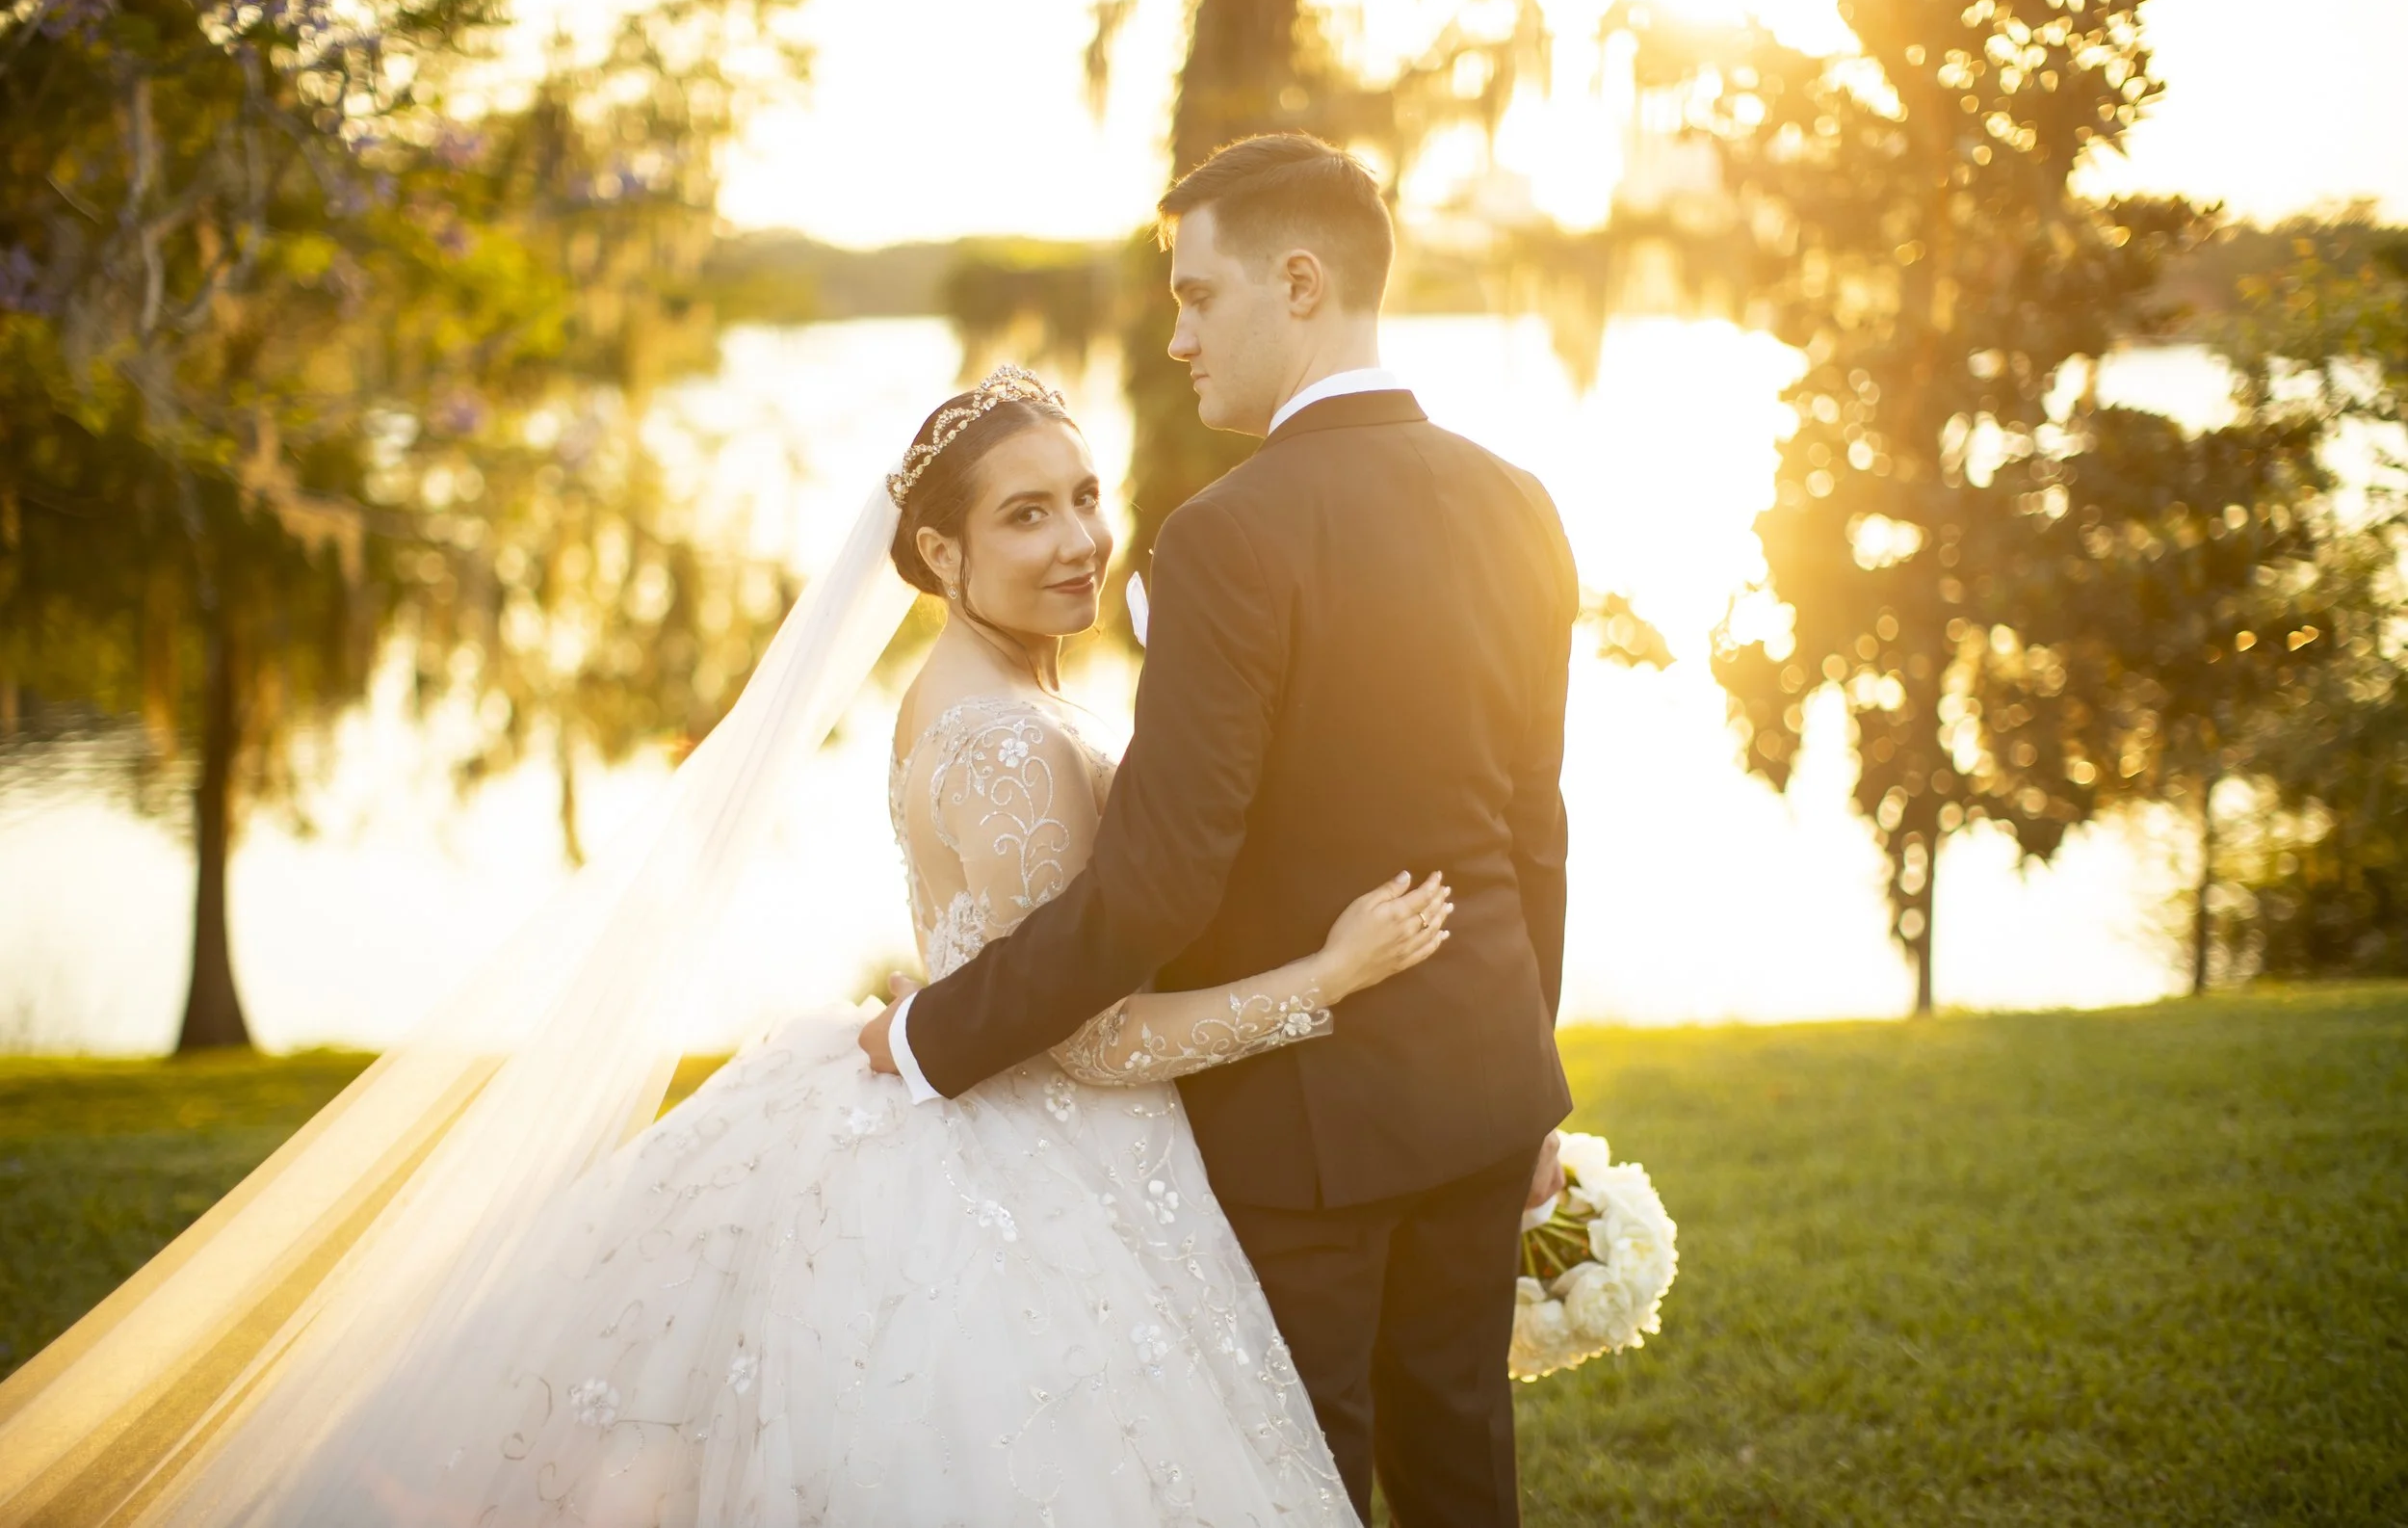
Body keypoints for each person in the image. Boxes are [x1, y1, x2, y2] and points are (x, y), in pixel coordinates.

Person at [0, 366, 1454, 1527]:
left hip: (1009, 1124)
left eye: (1084, 495)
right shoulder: (1004, 737)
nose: (1079, 538)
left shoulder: (1003, 692)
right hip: (1035, 1157)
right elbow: (1080, 1031)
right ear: (939, 550)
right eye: (1026, 515)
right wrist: (1320, 984)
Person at [866, 133, 1580, 1527]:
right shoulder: (1519, 500)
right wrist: (1529, 1062)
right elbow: (1533, 824)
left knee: (1291, 1480)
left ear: (1298, 282)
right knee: (1458, 1472)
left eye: (1198, 297)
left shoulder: (1224, 539)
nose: (1180, 337)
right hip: (1486, 1085)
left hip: (1304, 1136)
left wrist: (929, 1034)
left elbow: (1158, 883)